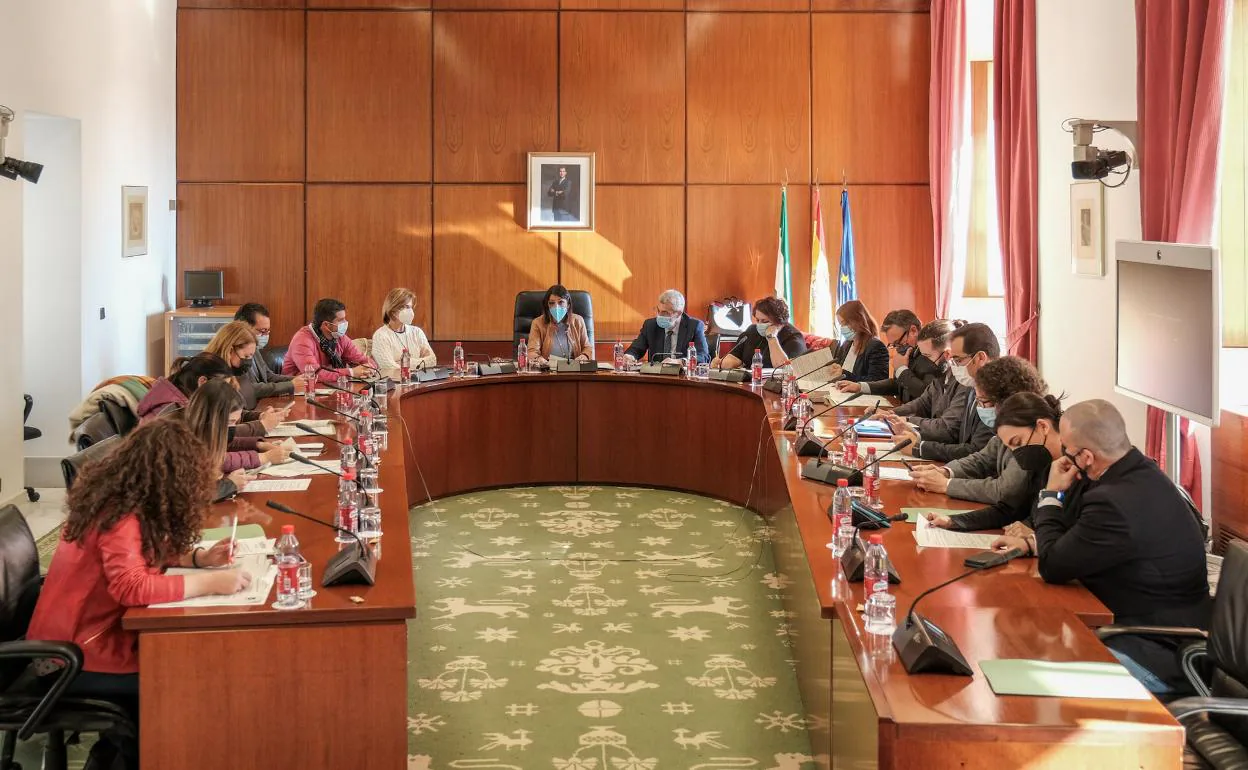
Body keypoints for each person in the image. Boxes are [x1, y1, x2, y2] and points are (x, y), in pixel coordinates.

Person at [26, 418, 253, 762]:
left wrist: (200, 558)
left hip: (89, 635)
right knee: (177, 680)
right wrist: (211, 582)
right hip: (68, 657)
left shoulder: (124, 500)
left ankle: (122, 752)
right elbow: (131, 586)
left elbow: (143, 553)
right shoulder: (118, 515)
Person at [990, 399, 1211, 695]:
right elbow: (1077, 541)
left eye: (1067, 448)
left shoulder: (1113, 501)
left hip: (1157, 653)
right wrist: (1033, 543)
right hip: (1160, 627)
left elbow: (1053, 566)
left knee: (1027, 672)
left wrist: (1051, 494)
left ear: (1087, 456)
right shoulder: (1140, 473)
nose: (1062, 454)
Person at [908, 356, 1047, 506]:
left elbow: (1004, 490)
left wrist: (945, 485)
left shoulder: (1033, 433)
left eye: (983, 402)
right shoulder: (1009, 423)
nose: (979, 407)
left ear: (1007, 401)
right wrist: (945, 472)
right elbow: (982, 459)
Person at [925, 391, 1063, 534]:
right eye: (1011, 448)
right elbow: (1010, 509)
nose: (1017, 454)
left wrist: (1035, 537)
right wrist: (952, 521)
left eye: (1018, 442)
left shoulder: (1077, 467)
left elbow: (1077, 531)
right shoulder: (1042, 462)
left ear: (1042, 427)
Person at [884, 321, 998, 462]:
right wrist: (894, 415)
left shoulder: (985, 389)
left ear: (980, 358)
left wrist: (920, 446)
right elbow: (923, 403)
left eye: (958, 360)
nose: (953, 364)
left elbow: (975, 451)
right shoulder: (967, 382)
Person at [184, 378, 289, 480]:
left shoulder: (203, 430)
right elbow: (219, 460)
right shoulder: (185, 442)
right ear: (212, 418)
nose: (233, 427)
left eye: (235, 421)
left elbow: (225, 443)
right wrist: (264, 458)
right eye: (230, 422)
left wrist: (258, 445)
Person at [837, 318, 955, 404]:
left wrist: (902, 370)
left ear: (913, 330)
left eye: (898, 342)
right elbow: (897, 384)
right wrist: (860, 387)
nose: (898, 347)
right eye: (893, 344)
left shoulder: (932, 356)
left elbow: (927, 394)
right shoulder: (911, 351)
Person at [203, 320, 292, 427]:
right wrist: (261, 426)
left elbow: (235, 413)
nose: (248, 362)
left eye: (251, 357)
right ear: (230, 351)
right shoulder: (212, 375)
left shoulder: (232, 371)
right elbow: (222, 430)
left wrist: (261, 416)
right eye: (246, 357)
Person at [282, 298, 377, 385]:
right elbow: (314, 374)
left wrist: (369, 368)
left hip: (329, 387)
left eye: (345, 319)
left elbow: (362, 359)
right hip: (298, 393)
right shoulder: (302, 340)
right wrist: (351, 372)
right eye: (341, 320)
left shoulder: (340, 337)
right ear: (326, 325)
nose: (345, 323)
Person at [712, 296, 806, 370]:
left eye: (764, 321)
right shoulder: (752, 331)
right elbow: (733, 359)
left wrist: (771, 337)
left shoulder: (794, 338)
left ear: (779, 323)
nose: (760, 325)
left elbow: (783, 368)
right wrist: (721, 363)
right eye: (757, 320)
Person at [623, 289, 709, 366]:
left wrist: (680, 362)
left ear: (678, 313)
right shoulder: (650, 325)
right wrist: (629, 356)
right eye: (658, 310)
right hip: (657, 376)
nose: (659, 315)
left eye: (665, 312)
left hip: (682, 376)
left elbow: (703, 356)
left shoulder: (694, 326)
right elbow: (636, 348)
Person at [234, 302, 296, 400]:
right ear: (244, 327)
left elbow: (268, 376)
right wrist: (290, 385)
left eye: (267, 331)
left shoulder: (254, 346)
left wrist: (296, 380)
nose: (265, 336)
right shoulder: (233, 354)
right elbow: (248, 388)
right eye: (262, 331)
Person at [370, 288, 437, 378]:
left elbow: (432, 360)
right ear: (393, 309)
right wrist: (419, 363)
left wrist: (405, 362)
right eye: (406, 307)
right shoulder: (381, 335)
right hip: (394, 386)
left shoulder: (417, 332)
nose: (410, 311)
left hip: (417, 381)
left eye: (410, 307)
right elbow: (390, 369)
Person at [526, 284, 592, 366]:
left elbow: (587, 348)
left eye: (561, 302)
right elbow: (532, 352)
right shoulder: (537, 323)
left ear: (568, 305)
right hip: (548, 371)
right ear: (547, 306)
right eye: (551, 303)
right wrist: (540, 360)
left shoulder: (578, 321)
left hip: (573, 370)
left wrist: (584, 356)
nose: (556, 307)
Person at [828, 300, 888, 383]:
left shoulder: (876, 346)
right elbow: (840, 371)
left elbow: (876, 382)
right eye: (840, 325)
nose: (842, 328)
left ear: (858, 320)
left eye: (845, 323)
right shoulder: (847, 344)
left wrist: (844, 374)